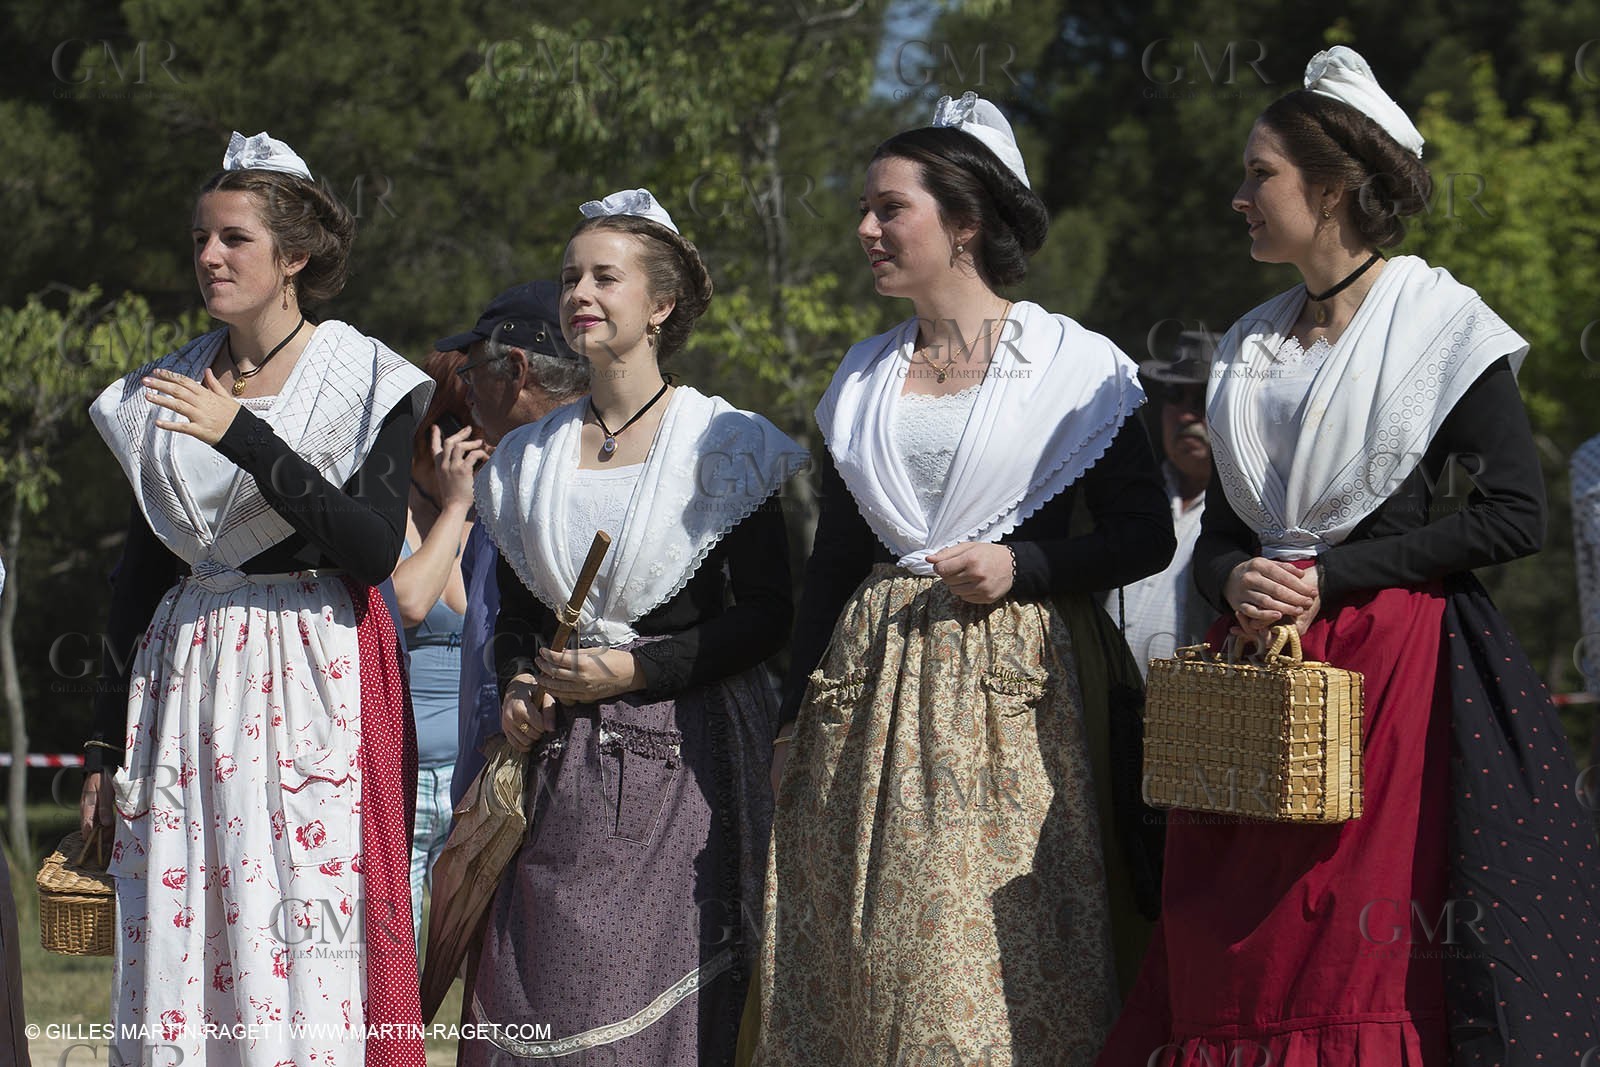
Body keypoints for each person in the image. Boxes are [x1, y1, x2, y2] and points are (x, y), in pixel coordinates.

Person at [1099, 47, 1600, 1065]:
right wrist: (1228, 572)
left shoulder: (1435, 327)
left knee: (1344, 942)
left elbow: (1514, 514)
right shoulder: (1249, 344)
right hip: (1251, 674)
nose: (1239, 195)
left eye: (1259, 174)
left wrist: (1330, 575)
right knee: (1230, 939)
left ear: (1328, 189)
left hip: (1386, 668)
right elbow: (1234, 526)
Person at [755, 94, 1175, 1066]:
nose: (865, 228)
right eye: (865, 207)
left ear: (967, 221)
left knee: (983, 956)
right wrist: (791, 713)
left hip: (1010, 694)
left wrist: (1024, 563)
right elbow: (833, 564)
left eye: (889, 207)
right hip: (868, 694)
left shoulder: (1076, 368)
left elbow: (1142, 534)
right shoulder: (860, 380)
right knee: (867, 949)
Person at [78, 131, 432, 1067]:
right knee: (182, 921)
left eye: (234, 238)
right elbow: (141, 573)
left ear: (296, 257)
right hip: (184, 679)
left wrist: (244, 436)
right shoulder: (165, 384)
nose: (208, 256)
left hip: (308, 668)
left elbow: (368, 548)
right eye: (201, 236)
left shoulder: (364, 378)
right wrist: (101, 745)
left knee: (299, 917)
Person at [462, 188, 807, 1065]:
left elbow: (770, 615)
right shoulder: (527, 460)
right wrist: (516, 683)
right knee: (536, 997)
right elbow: (518, 614)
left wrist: (637, 672)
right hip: (554, 773)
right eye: (571, 274)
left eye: (604, 276)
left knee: (644, 1015)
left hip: (683, 762)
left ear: (660, 305)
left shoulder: (726, 444)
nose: (579, 290)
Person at [438, 281, 590, 811]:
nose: (467, 389)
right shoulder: (504, 480)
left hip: (552, 775)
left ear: (518, 370)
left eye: (472, 368)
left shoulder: (586, 480)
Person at [391, 350, 485, 948]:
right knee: (389, 961)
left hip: (471, 778)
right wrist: (453, 505)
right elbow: (410, 602)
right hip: (399, 775)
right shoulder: (388, 506)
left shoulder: (490, 515)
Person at [1106, 331, 1218, 673]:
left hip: (1199, 715)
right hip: (1111, 712)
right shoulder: (1130, 492)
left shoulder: (1252, 514)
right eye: (1175, 395)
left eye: (1202, 399)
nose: (1186, 415)